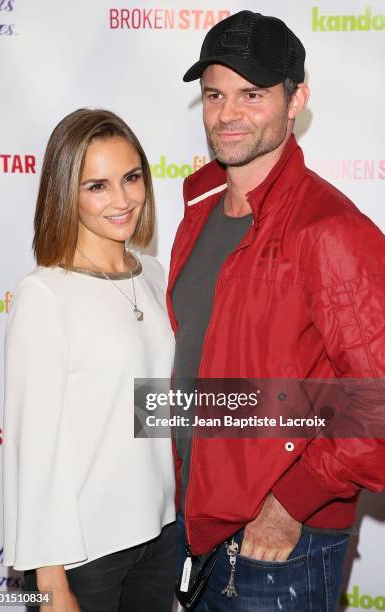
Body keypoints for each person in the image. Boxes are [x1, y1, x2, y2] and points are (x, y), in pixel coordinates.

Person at [167, 10, 385, 611]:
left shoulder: (330, 229)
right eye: (214, 94)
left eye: (252, 94)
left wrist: (290, 503)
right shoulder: (198, 211)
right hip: (198, 526)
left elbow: (378, 399)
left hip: (279, 545)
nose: (228, 113)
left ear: (296, 101)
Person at [3, 108, 176, 612]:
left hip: (160, 535)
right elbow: (32, 447)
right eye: (97, 186)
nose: (122, 200)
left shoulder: (154, 274)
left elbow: (157, 408)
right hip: (84, 554)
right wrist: (49, 578)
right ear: (65, 194)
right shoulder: (44, 295)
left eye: (131, 178)